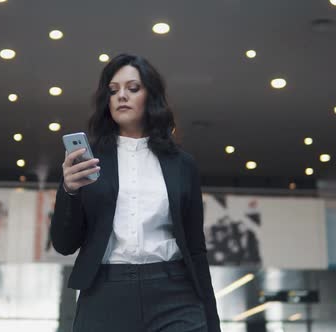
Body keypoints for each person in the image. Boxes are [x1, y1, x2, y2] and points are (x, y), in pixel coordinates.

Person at [50, 54, 220, 332]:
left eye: (133, 88)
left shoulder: (182, 163)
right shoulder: (89, 160)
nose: (121, 96)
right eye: (113, 90)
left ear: (150, 96)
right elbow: (64, 244)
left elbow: (196, 248)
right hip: (106, 292)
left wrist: (212, 322)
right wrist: (68, 190)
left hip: (175, 289)